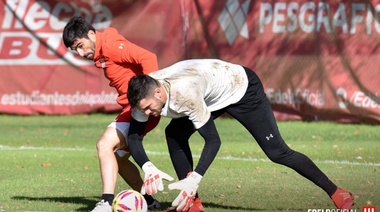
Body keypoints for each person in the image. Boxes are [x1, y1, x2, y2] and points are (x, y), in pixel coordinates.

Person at [125, 59, 355, 212]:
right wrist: (147, 166)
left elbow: (213, 141)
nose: (147, 114)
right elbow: (134, 137)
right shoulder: (142, 95)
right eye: (142, 109)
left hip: (242, 89)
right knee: (174, 133)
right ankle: (192, 205)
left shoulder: (185, 95)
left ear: (158, 91)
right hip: (211, 91)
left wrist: (195, 178)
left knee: (277, 152)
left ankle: (337, 192)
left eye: (148, 108)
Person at [62, 16, 165, 212]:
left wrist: (151, 96)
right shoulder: (102, 50)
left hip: (139, 110)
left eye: (81, 45)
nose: (81, 53)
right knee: (117, 158)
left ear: (92, 34)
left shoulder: (110, 45)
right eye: (76, 50)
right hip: (136, 109)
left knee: (104, 145)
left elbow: (148, 57)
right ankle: (147, 200)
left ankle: (106, 202)